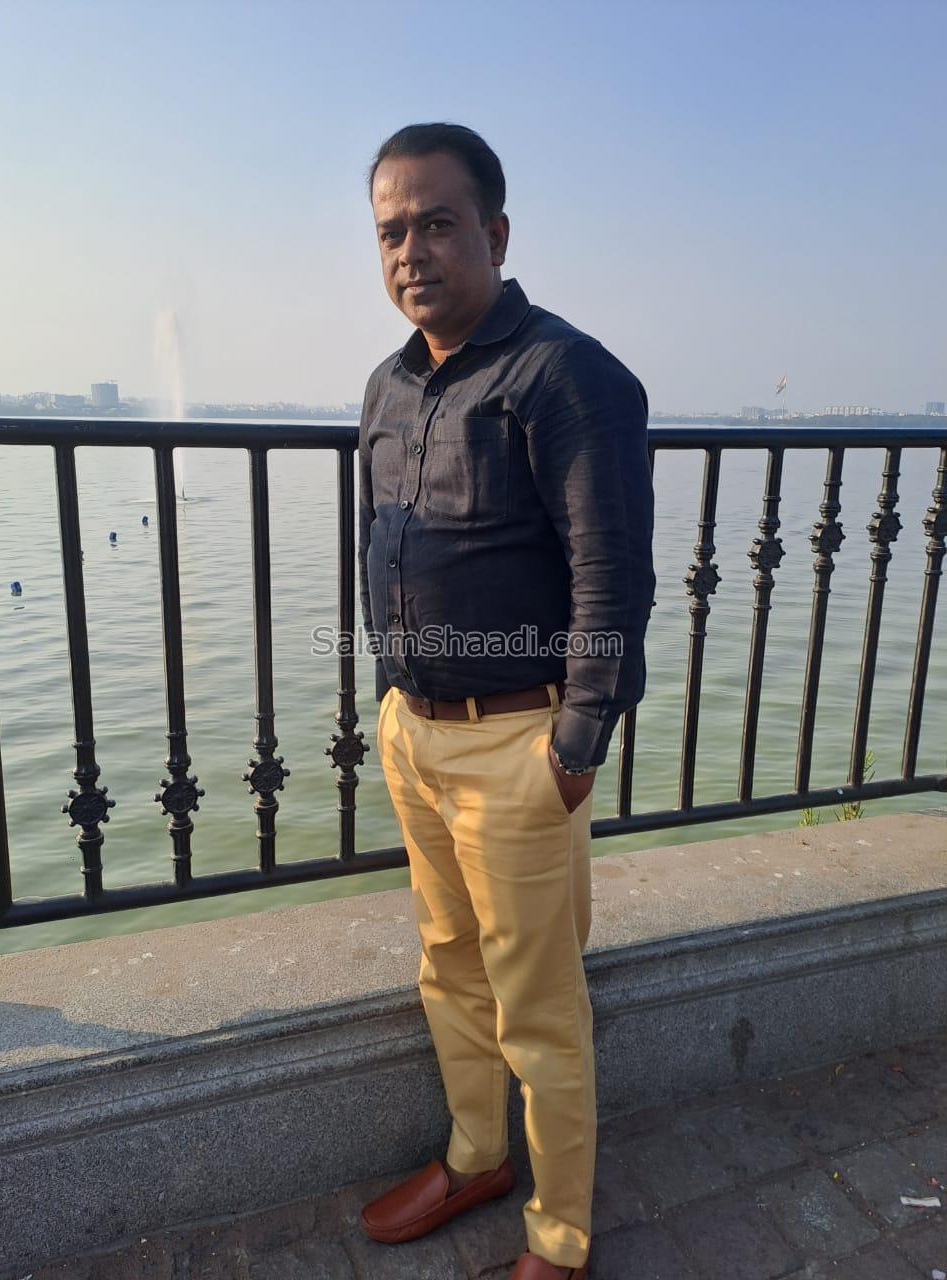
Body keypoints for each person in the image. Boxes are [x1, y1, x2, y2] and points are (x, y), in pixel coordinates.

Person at [356, 122, 656, 1280]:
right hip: (415, 733)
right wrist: (388, 694)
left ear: (495, 232)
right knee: (448, 964)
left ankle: (561, 1237)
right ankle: (477, 1154)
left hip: (520, 741)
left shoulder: (565, 373)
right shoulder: (389, 384)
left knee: (539, 1004)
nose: (412, 251)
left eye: (437, 223)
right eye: (392, 230)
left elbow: (611, 574)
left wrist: (576, 742)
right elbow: (380, 543)